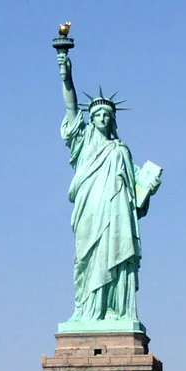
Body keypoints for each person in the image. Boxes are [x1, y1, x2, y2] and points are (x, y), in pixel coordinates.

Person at [57, 51, 161, 325]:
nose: (102, 118)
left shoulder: (121, 150)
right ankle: (87, 311)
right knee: (87, 259)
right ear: (90, 119)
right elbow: (71, 108)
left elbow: (134, 198)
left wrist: (148, 188)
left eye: (107, 115)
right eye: (97, 114)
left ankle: (115, 310)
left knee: (115, 256)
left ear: (113, 120)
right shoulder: (84, 141)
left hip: (116, 216)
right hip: (90, 210)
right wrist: (67, 77)